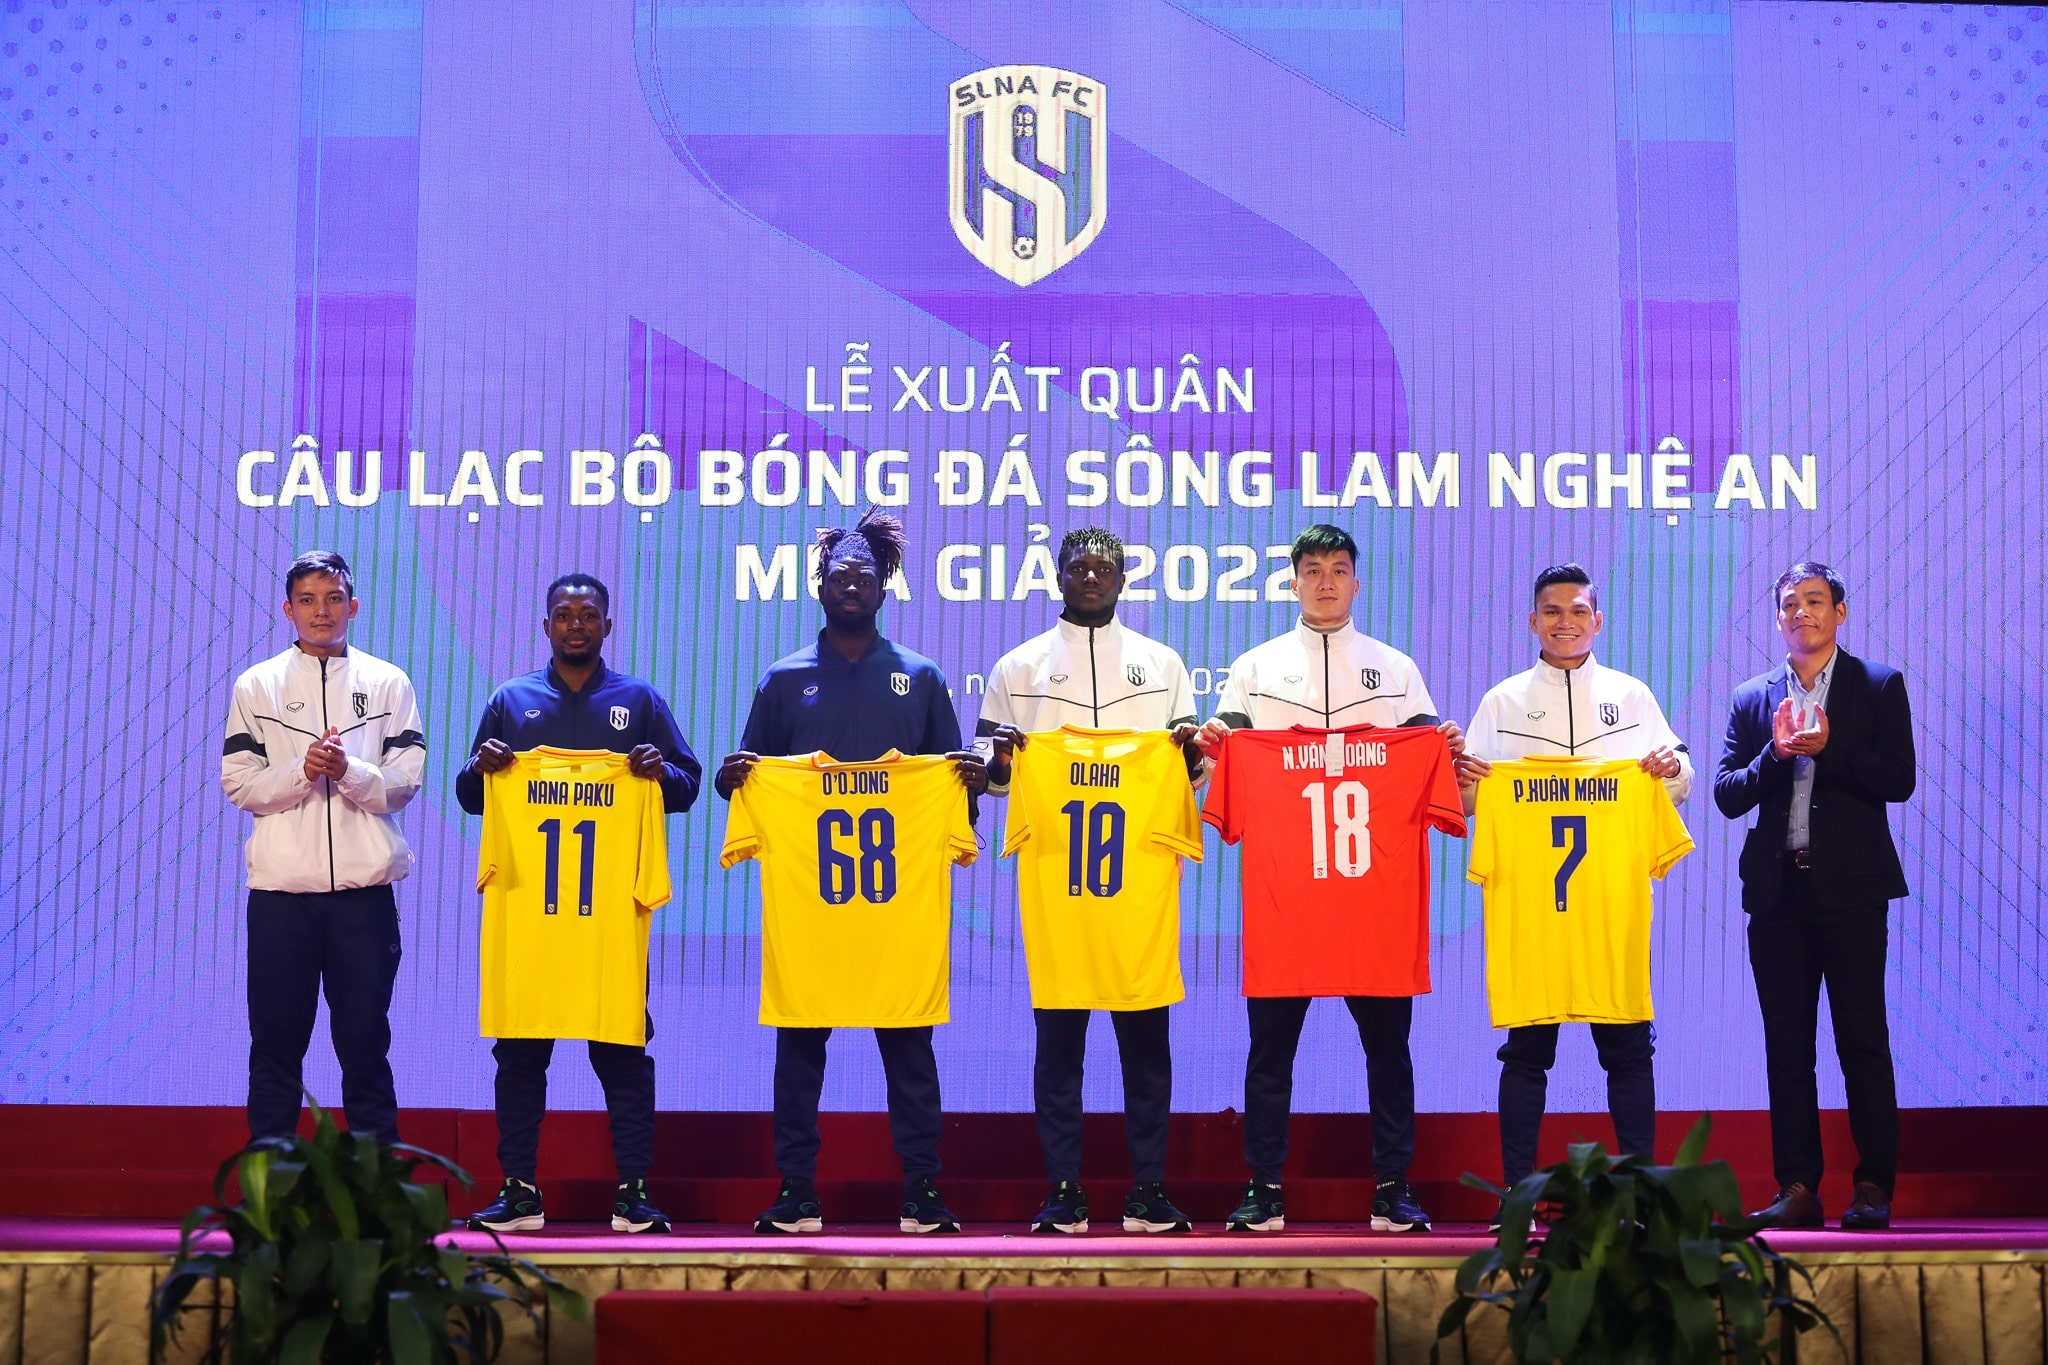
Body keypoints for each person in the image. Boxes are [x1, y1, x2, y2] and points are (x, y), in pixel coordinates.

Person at [718, 510, 987, 1235]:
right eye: (839, 576)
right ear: (820, 585)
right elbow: (747, 781)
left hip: (897, 913)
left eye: (864, 576)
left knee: (910, 1049)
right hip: (811, 910)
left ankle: (922, 1190)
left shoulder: (921, 678)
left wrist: (964, 782)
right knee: (800, 1049)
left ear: (884, 586)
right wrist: (732, 779)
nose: (851, 586)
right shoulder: (784, 680)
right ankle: (796, 1190)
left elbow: (955, 797)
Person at [1194, 523, 1464, 1233]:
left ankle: (1394, 1187)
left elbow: (1436, 768)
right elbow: (1216, 772)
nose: (1325, 581)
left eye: (1338, 569)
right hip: (1287, 901)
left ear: (1356, 582)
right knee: (1270, 1053)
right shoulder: (1254, 668)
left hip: (1375, 904)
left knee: (1389, 1051)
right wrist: (1212, 750)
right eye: (1312, 569)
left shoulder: (1395, 669)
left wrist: (1447, 751)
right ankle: (1262, 1187)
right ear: (1292, 582)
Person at [457, 574, 702, 1235]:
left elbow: (688, 786)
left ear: (606, 626)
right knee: (519, 1054)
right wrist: (481, 767)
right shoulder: (511, 699)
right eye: (563, 614)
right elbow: (471, 796)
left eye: (588, 614)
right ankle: (519, 1190)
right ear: (546, 626)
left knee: (622, 1053)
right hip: (530, 918)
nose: (575, 624)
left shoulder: (639, 700)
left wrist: (659, 771)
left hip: (607, 922)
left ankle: (634, 1192)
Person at [979, 526, 1206, 1235]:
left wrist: (1189, 755)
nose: (1089, 576)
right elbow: (988, 775)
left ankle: (1149, 1191)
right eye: (1077, 567)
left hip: (1140, 888)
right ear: (1057, 575)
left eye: (1103, 567)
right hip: (1058, 888)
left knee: (1147, 1050)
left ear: (1123, 578)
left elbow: (1191, 773)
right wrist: (1001, 762)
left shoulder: (1162, 663)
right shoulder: (1017, 666)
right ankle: (1064, 1191)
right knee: (1059, 1049)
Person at [1456, 563, 1690, 1224]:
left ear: (1598, 620)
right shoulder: (1501, 702)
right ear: (1533, 621)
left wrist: (1670, 769)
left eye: (1578, 610)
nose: (1566, 622)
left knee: (1629, 1050)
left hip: (1609, 911)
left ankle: (1639, 1195)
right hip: (1533, 913)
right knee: (1526, 1054)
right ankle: (1516, 1195)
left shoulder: (1631, 696)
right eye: (1553, 611)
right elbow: (1469, 802)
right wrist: (1462, 778)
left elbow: (1678, 778)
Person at [1715, 562, 1914, 1231]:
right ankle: (1798, 1186)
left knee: (1863, 1039)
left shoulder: (1877, 684)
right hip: (1777, 896)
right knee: (1787, 1047)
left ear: (1840, 612)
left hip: (1852, 892)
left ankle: (1873, 1186)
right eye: (1790, 604)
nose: (1802, 611)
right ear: (1778, 618)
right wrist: (1774, 756)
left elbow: (1899, 779)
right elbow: (1726, 793)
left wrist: (1830, 749)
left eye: (1815, 601)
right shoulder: (1752, 696)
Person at [221, 550, 424, 1149]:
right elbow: (239, 784)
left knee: (365, 1046)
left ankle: (378, 1188)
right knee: (275, 1045)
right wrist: (303, 771)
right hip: (282, 900)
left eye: (333, 599)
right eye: (307, 600)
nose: (321, 611)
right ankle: (270, 1185)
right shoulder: (257, 684)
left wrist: (349, 770)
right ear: (288, 610)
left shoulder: (388, 682)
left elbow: (404, 784)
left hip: (364, 900)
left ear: (352, 606)